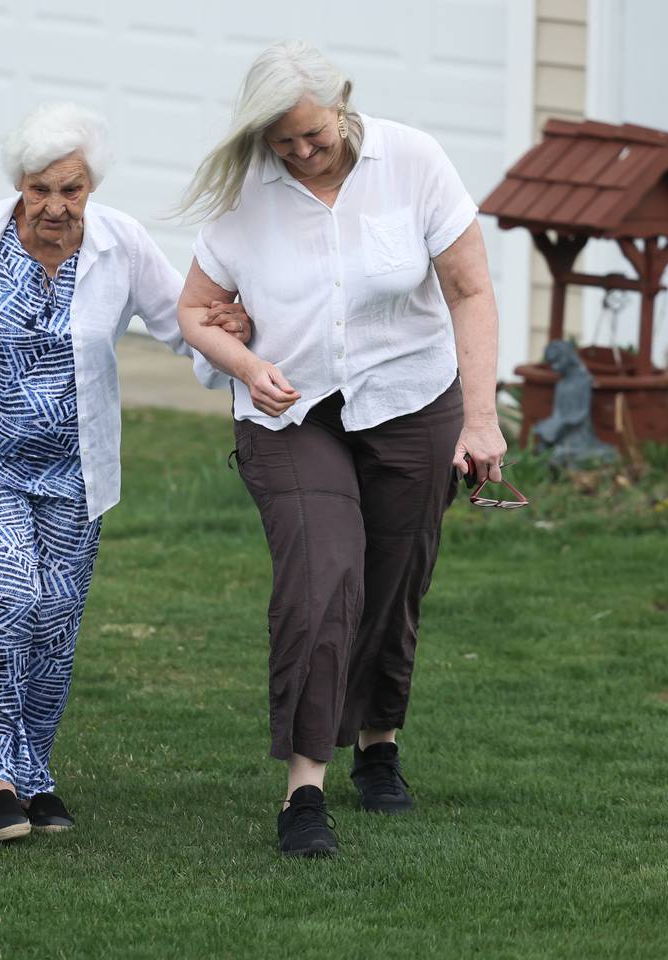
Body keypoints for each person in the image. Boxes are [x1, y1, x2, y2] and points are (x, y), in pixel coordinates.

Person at [175, 41, 507, 858]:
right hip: (294, 418)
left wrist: (480, 418)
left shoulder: (415, 161)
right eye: (281, 140)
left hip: (410, 402)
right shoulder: (248, 189)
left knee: (395, 582)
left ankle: (378, 745)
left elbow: (468, 288)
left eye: (311, 135)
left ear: (344, 106)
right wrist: (248, 366)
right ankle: (304, 791)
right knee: (322, 579)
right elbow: (195, 309)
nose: (297, 151)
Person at [0, 102, 250, 842]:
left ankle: (36, 774)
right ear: (19, 186)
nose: (55, 206)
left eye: (72, 190)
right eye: (39, 190)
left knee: (53, 626)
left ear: (91, 188)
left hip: (73, 473)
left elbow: (178, 321)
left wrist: (226, 337)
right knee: (6, 594)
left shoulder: (121, 244)